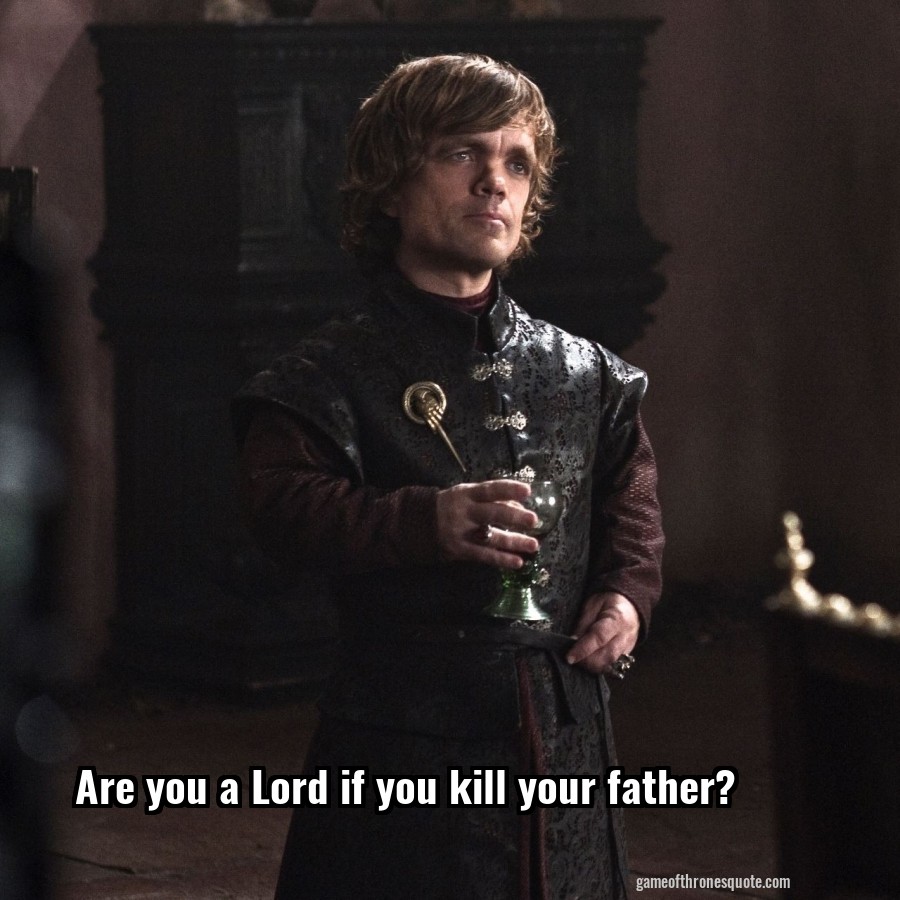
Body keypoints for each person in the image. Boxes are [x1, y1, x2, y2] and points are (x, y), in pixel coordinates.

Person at [233, 53, 664, 900]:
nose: (494, 182)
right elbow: (279, 506)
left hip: (565, 739)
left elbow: (632, 500)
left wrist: (626, 597)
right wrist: (424, 522)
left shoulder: (587, 374)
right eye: (462, 153)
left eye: (517, 163)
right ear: (392, 185)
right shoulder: (327, 374)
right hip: (401, 745)